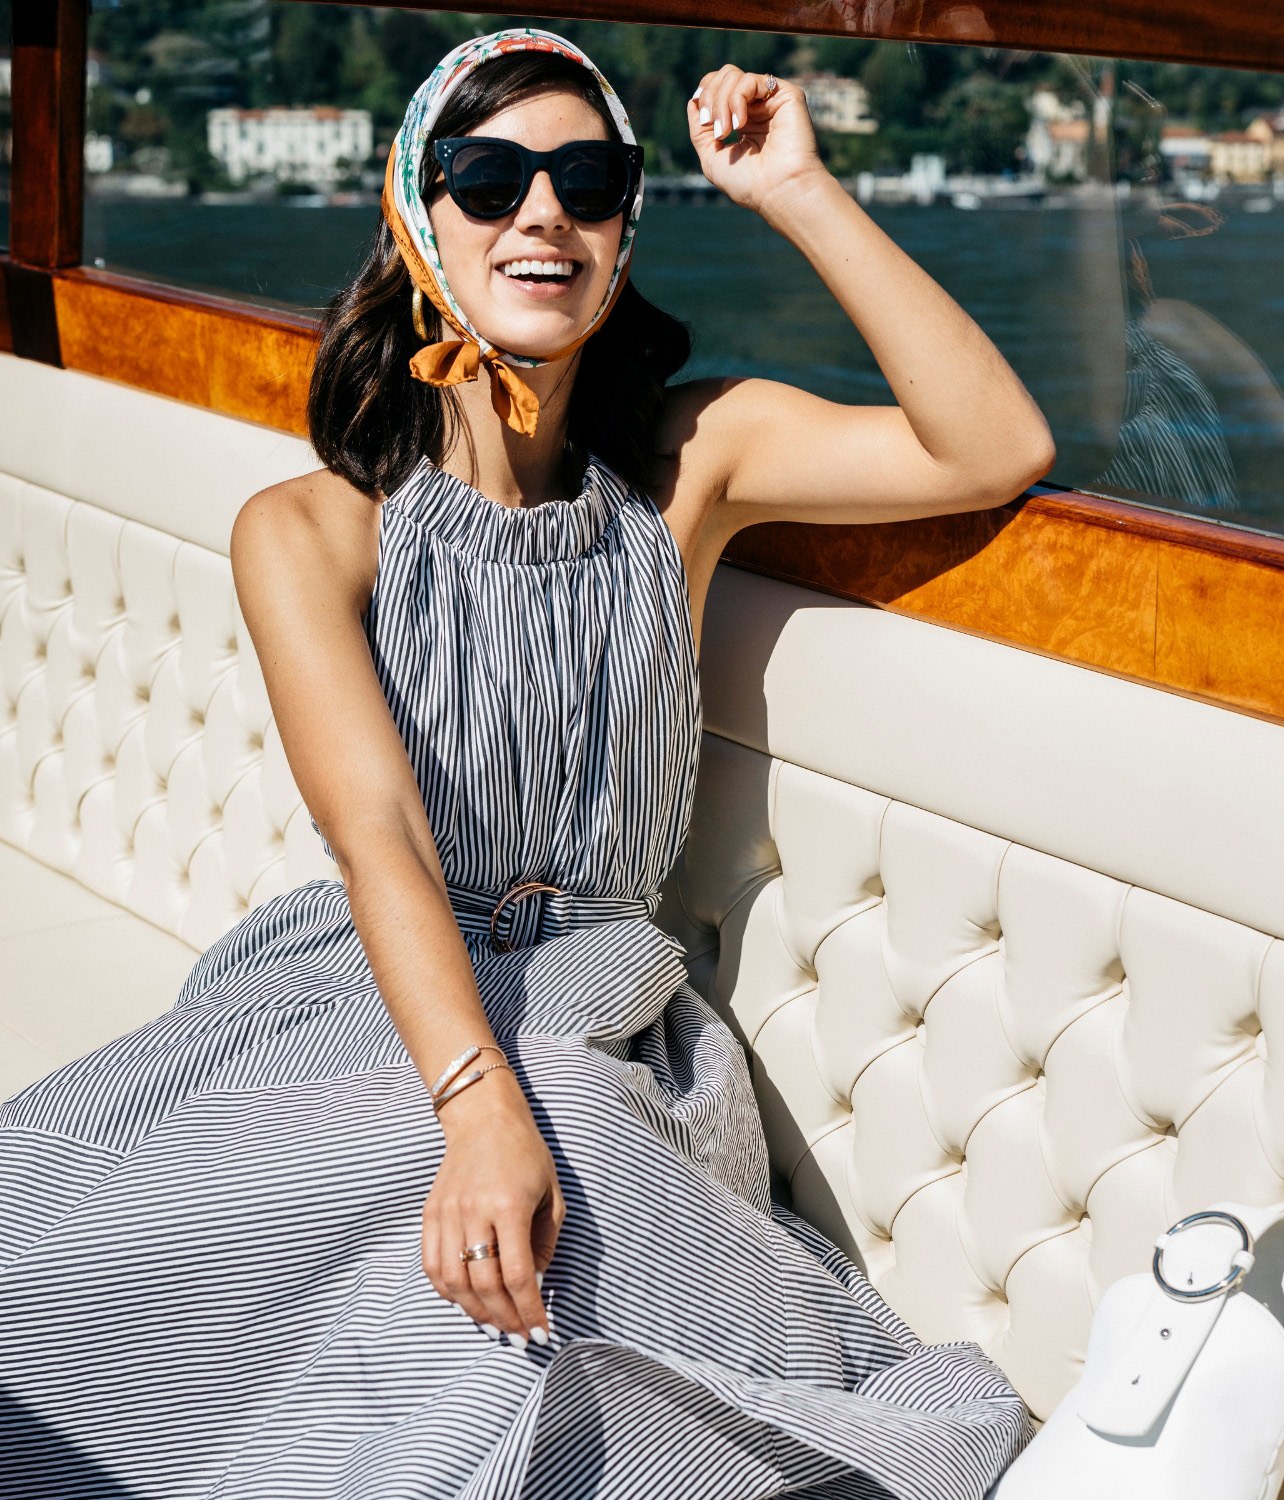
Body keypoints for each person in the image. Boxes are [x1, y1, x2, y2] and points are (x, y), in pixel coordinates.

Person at [0, 26, 1055, 1499]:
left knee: (552, 1218)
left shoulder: (694, 468)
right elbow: (377, 831)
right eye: (488, 177)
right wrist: (472, 1098)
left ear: (626, 230)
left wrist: (799, 191)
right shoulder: (309, 533)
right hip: (382, 989)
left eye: (589, 179)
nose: (540, 211)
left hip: (606, 1010)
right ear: (418, 221)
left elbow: (991, 442)